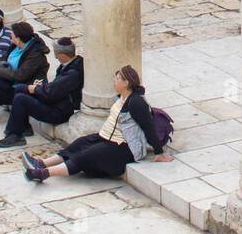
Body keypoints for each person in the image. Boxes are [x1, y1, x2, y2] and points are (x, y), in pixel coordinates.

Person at [23, 65, 171, 182]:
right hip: (106, 138)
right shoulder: (122, 97)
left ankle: (44, 173)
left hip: (123, 148)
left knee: (85, 156)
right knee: (78, 144)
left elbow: (148, 127)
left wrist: (159, 152)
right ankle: (43, 163)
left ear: (126, 83)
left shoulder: (137, 102)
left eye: (117, 79)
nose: (114, 81)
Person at [0, 36, 84, 149]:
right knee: (20, 89)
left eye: (56, 54)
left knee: (21, 99)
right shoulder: (70, 65)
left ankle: (14, 135)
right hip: (57, 101)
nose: (55, 57)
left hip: (59, 112)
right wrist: (39, 87)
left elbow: (51, 94)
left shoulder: (73, 73)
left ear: (62, 55)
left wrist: (35, 89)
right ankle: (24, 127)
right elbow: (56, 88)